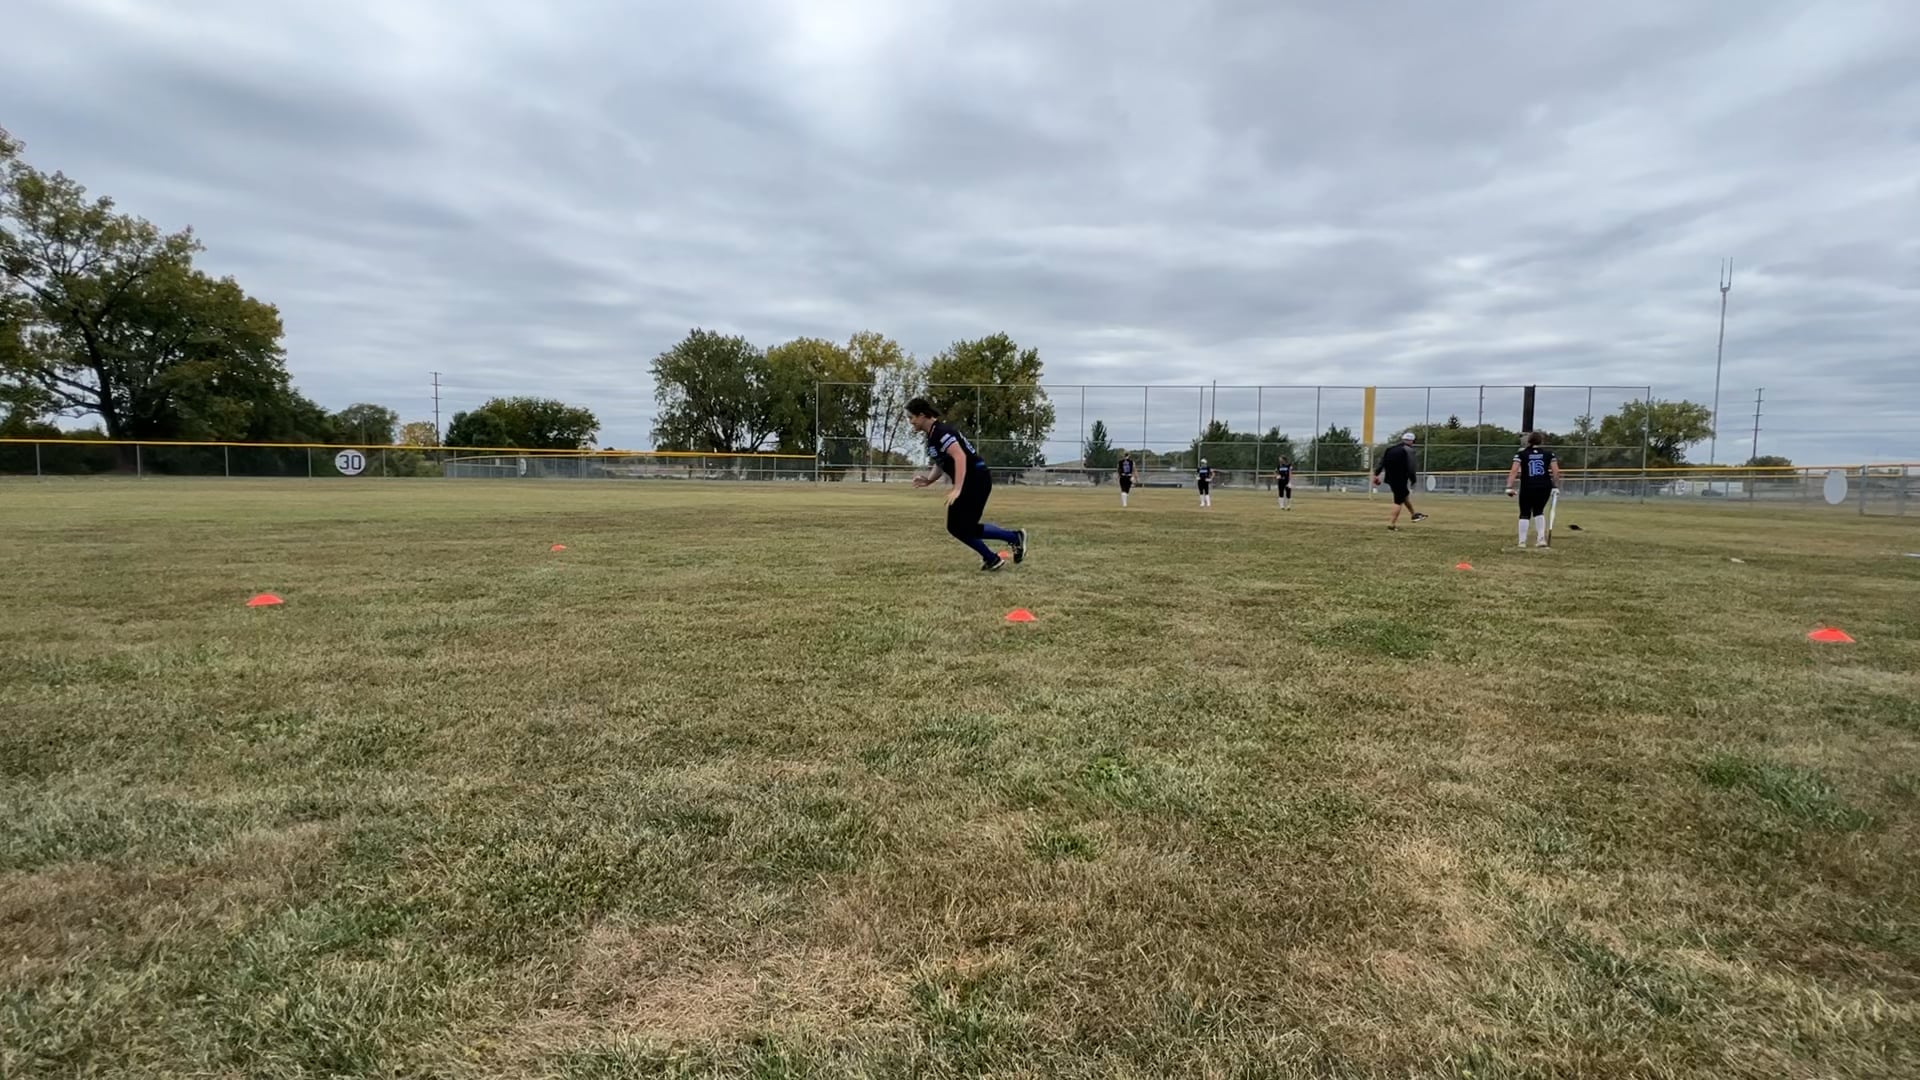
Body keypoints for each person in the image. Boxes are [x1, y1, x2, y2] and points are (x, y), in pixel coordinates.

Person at [907, 398, 1028, 572]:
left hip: (976, 479)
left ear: (921, 415)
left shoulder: (942, 432)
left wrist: (957, 488)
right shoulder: (933, 435)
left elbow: (960, 456)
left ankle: (1009, 542)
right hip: (972, 480)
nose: (910, 421)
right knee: (958, 527)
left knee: (961, 527)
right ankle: (995, 554)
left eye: (911, 417)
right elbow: (941, 462)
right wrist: (929, 480)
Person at [1506, 431, 1563, 548]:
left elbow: (1514, 471)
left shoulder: (1521, 454)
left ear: (1529, 441)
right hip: (1544, 486)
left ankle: (1522, 541)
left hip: (1528, 485)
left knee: (1524, 513)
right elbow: (1556, 472)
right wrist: (1555, 486)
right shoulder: (1549, 454)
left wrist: (1509, 487)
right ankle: (1541, 539)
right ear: (1541, 441)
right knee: (1539, 511)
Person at [1372, 431, 1428, 530]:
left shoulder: (1390, 449)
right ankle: (1391, 524)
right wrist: (1413, 480)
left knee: (1404, 495)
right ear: (1411, 441)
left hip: (1390, 478)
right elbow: (1411, 467)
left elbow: (1382, 463)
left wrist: (1376, 475)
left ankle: (1414, 514)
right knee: (1398, 501)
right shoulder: (1409, 450)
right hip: (1400, 479)